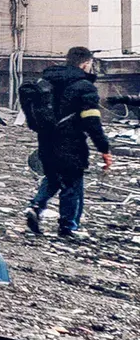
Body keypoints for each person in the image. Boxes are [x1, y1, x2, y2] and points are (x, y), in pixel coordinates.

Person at [25, 47, 111, 241]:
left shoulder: (46, 81)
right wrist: (104, 148)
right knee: (72, 184)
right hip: (71, 143)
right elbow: (92, 122)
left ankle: (35, 206)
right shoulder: (84, 87)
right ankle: (68, 227)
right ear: (85, 64)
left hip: (46, 140)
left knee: (53, 177)